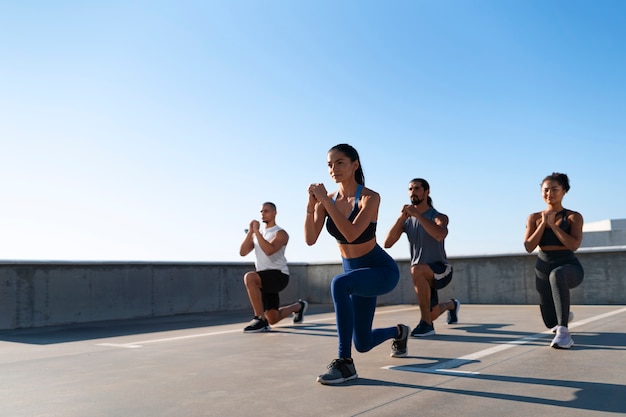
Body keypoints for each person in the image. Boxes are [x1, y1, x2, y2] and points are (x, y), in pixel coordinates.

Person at [305, 144, 409, 385]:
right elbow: (310, 239)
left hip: (379, 271)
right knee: (362, 343)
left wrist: (325, 201)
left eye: (340, 162)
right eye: (329, 165)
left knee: (339, 283)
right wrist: (311, 205)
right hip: (354, 277)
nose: (333, 169)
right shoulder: (326, 201)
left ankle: (345, 363)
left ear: (355, 165)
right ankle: (399, 332)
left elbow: (351, 234)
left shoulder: (370, 198)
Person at [383, 178, 459, 337]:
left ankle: (426, 325)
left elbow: (440, 234)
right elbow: (387, 243)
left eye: (417, 188)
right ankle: (452, 305)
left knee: (416, 269)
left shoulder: (438, 216)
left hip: (441, 270)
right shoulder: (407, 221)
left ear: (427, 192)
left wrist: (418, 215)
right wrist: (400, 219)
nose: (413, 192)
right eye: (410, 189)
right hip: (421, 274)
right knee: (432, 313)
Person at [524, 172, 584, 349]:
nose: (549, 194)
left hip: (569, 266)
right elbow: (528, 246)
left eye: (554, 189)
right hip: (543, 266)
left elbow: (573, 245)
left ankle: (564, 334)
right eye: (546, 190)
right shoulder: (534, 218)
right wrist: (543, 224)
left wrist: (554, 226)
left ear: (564, 191)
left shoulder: (573, 216)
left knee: (557, 276)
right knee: (550, 323)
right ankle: (562, 317)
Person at [239, 202, 308, 333]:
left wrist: (257, 233)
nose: (262, 214)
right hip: (263, 278)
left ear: (274, 213)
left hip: (278, 276)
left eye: (266, 211)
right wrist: (251, 233)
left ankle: (259, 319)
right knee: (273, 319)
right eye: (261, 211)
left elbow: (269, 250)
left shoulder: (281, 233)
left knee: (249, 277)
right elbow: (242, 252)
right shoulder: (257, 234)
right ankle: (298, 306)